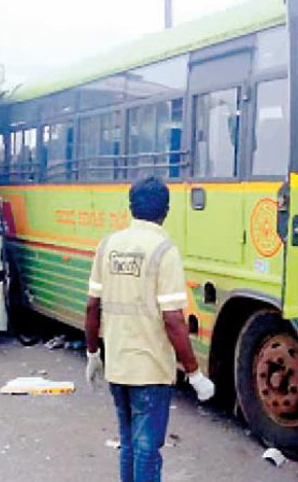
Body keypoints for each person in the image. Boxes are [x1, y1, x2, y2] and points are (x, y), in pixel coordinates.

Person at [84, 176, 215, 482]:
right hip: (151, 370)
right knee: (147, 448)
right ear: (165, 211)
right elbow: (173, 320)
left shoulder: (108, 245)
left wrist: (93, 354)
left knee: (128, 443)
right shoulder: (164, 250)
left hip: (117, 365)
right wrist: (195, 374)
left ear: (131, 207)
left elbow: (92, 307)